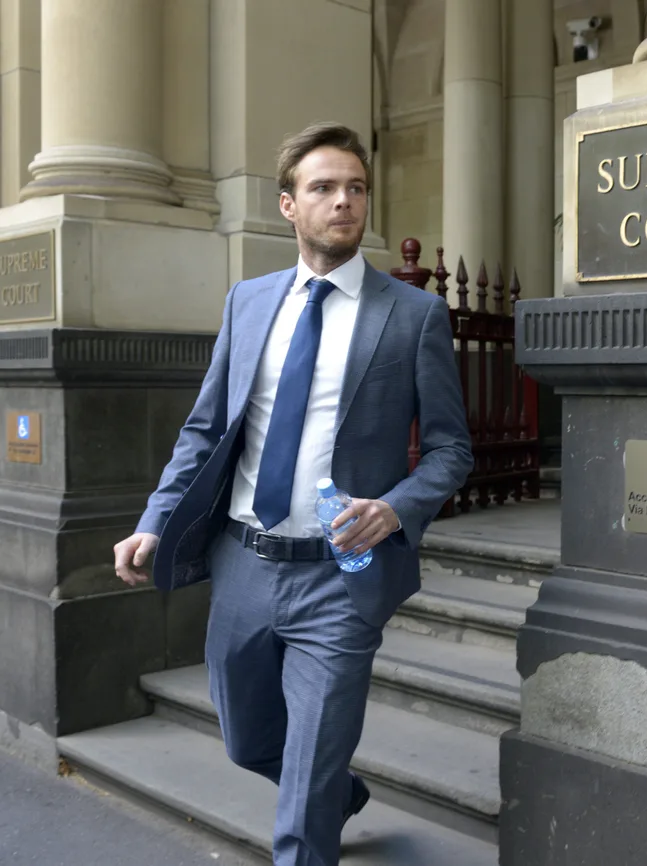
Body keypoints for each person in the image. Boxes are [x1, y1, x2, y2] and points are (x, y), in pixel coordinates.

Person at [111, 122, 473, 866]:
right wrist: (154, 520)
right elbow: (206, 431)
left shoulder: (414, 316)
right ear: (288, 205)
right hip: (244, 562)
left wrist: (395, 508)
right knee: (248, 741)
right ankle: (337, 794)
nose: (345, 202)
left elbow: (449, 449)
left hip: (341, 576)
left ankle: (318, 806)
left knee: (304, 795)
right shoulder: (249, 302)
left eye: (357, 188)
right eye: (324, 188)